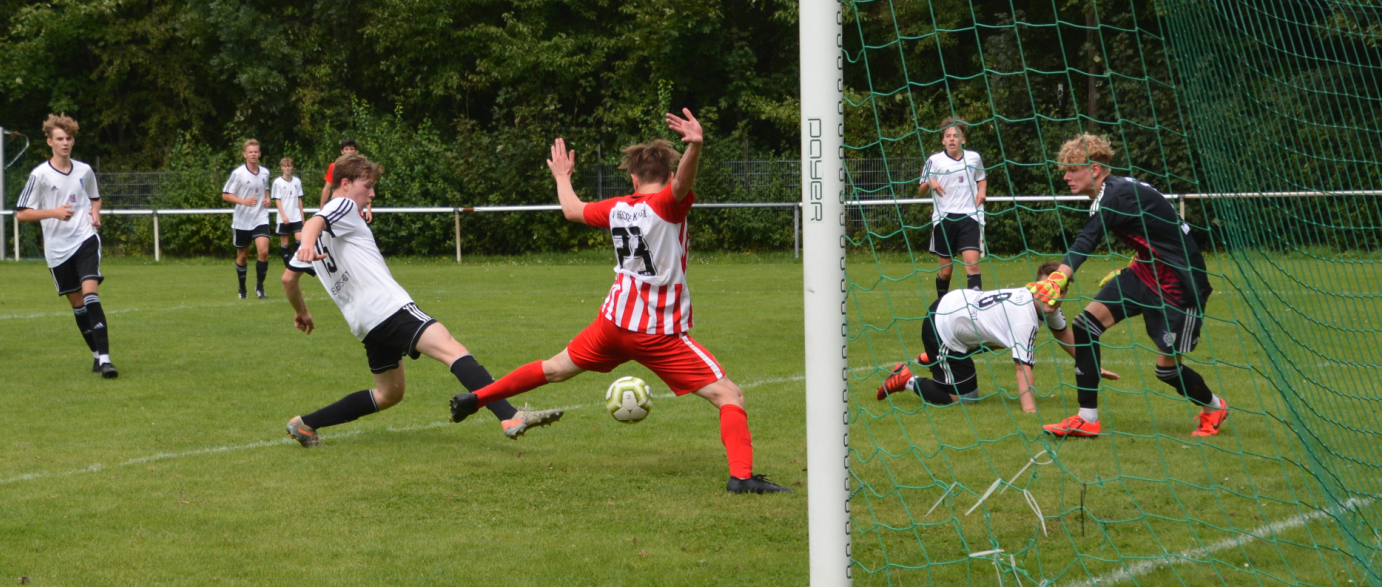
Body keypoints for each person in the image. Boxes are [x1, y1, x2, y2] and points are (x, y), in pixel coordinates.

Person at [449, 109, 791, 494]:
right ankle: (741, 478)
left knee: (555, 368)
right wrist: (695, 146)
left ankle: (476, 398)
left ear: (633, 178)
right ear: (667, 176)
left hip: (612, 324)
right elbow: (682, 184)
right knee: (729, 395)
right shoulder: (667, 204)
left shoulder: (618, 207)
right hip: (656, 332)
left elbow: (572, 210)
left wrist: (562, 176)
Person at [281, 154, 563, 447]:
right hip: (388, 307)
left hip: (363, 323)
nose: (372, 193)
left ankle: (305, 424)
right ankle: (509, 415)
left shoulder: (332, 222)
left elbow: (288, 280)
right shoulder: (343, 205)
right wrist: (307, 243)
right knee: (452, 349)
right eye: (367, 186)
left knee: (390, 393)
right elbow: (315, 222)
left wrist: (302, 311)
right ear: (345, 183)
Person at [1026, 134, 1227, 438]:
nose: (1066, 177)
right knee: (1084, 326)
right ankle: (1087, 418)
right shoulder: (1116, 190)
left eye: (1072, 170)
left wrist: (1058, 277)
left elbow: (1086, 240)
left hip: (1179, 284)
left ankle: (1214, 407)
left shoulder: (1114, 196)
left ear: (1094, 169)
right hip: (1144, 271)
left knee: (1167, 371)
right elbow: (1157, 227)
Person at [876, 263, 1119, 412]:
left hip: (958, 312)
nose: (1054, 294)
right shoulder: (1024, 319)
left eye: (1061, 290)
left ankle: (934, 358)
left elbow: (1064, 335)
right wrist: (1030, 411)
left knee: (998, 338)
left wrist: (1092, 364)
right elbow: (1022, 368)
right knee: (963, 399)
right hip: (941, 325)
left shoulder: (1047, 303)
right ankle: (905, 378)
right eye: (1048, 288)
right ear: (1036, 285)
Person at [14, 114, 117, 378]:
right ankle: (96, 356)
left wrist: (96, 212)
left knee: (91, 295)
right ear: (49, 142)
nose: (65, 143)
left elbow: (95, 198)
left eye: (69, 138)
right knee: (78, 304)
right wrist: (54, 212)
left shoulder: (84, 170)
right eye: (60, 138)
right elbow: (22, 214)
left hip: (85, 238)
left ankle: (107, 361)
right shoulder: (40, 175)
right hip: (57, 250)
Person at [918, 117, 987, 298]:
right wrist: (930, 182)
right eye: (948, 136)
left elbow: (981, 178)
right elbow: (921, 190)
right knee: (946, 271)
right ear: (943, 140)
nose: (951, 139)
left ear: (963, 140)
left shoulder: (974, 158)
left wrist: (982, 190)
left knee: (972, 266)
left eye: (955, 136)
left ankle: (975, 307)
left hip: (970, 217)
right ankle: (942, 304)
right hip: (944, 218)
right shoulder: (934, 161)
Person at [221, 139, 272, 299]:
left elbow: (265, 189)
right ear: (245, 154)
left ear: (260, 154)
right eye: (250, 152)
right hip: (242, 220)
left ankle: (260, 288)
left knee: (263, 251)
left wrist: (268, 199)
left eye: (256, 151)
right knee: (243, 256)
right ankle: (242, 288)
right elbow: (225, 195)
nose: (253, 154)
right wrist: (244, 201)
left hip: (260, 217)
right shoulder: (238, 173)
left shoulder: (265, 172)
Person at [320, 139, 372, 222]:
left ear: (355, 151)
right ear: (342, 151)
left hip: (355, 205)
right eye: (346, 149)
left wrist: (368, 209)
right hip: (338, 205)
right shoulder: (334, 167)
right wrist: (322, 210)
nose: (349, 152)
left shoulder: (360, 167)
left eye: (351, 149)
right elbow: (326, 189)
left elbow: (366, 188)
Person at [272, 157, 305, 266]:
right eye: (285, 166)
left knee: (300, 239)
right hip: (284, 217)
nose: (287, 168)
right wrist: (283, 216)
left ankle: (293, 261)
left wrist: (302, 216)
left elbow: (299, 199)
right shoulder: (277, 182)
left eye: (289, 166)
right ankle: (288, 265)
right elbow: (277, 200)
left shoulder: (297, 181)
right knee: (285, 241)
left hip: (296, 216)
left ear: (292, 167)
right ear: (281, 167)